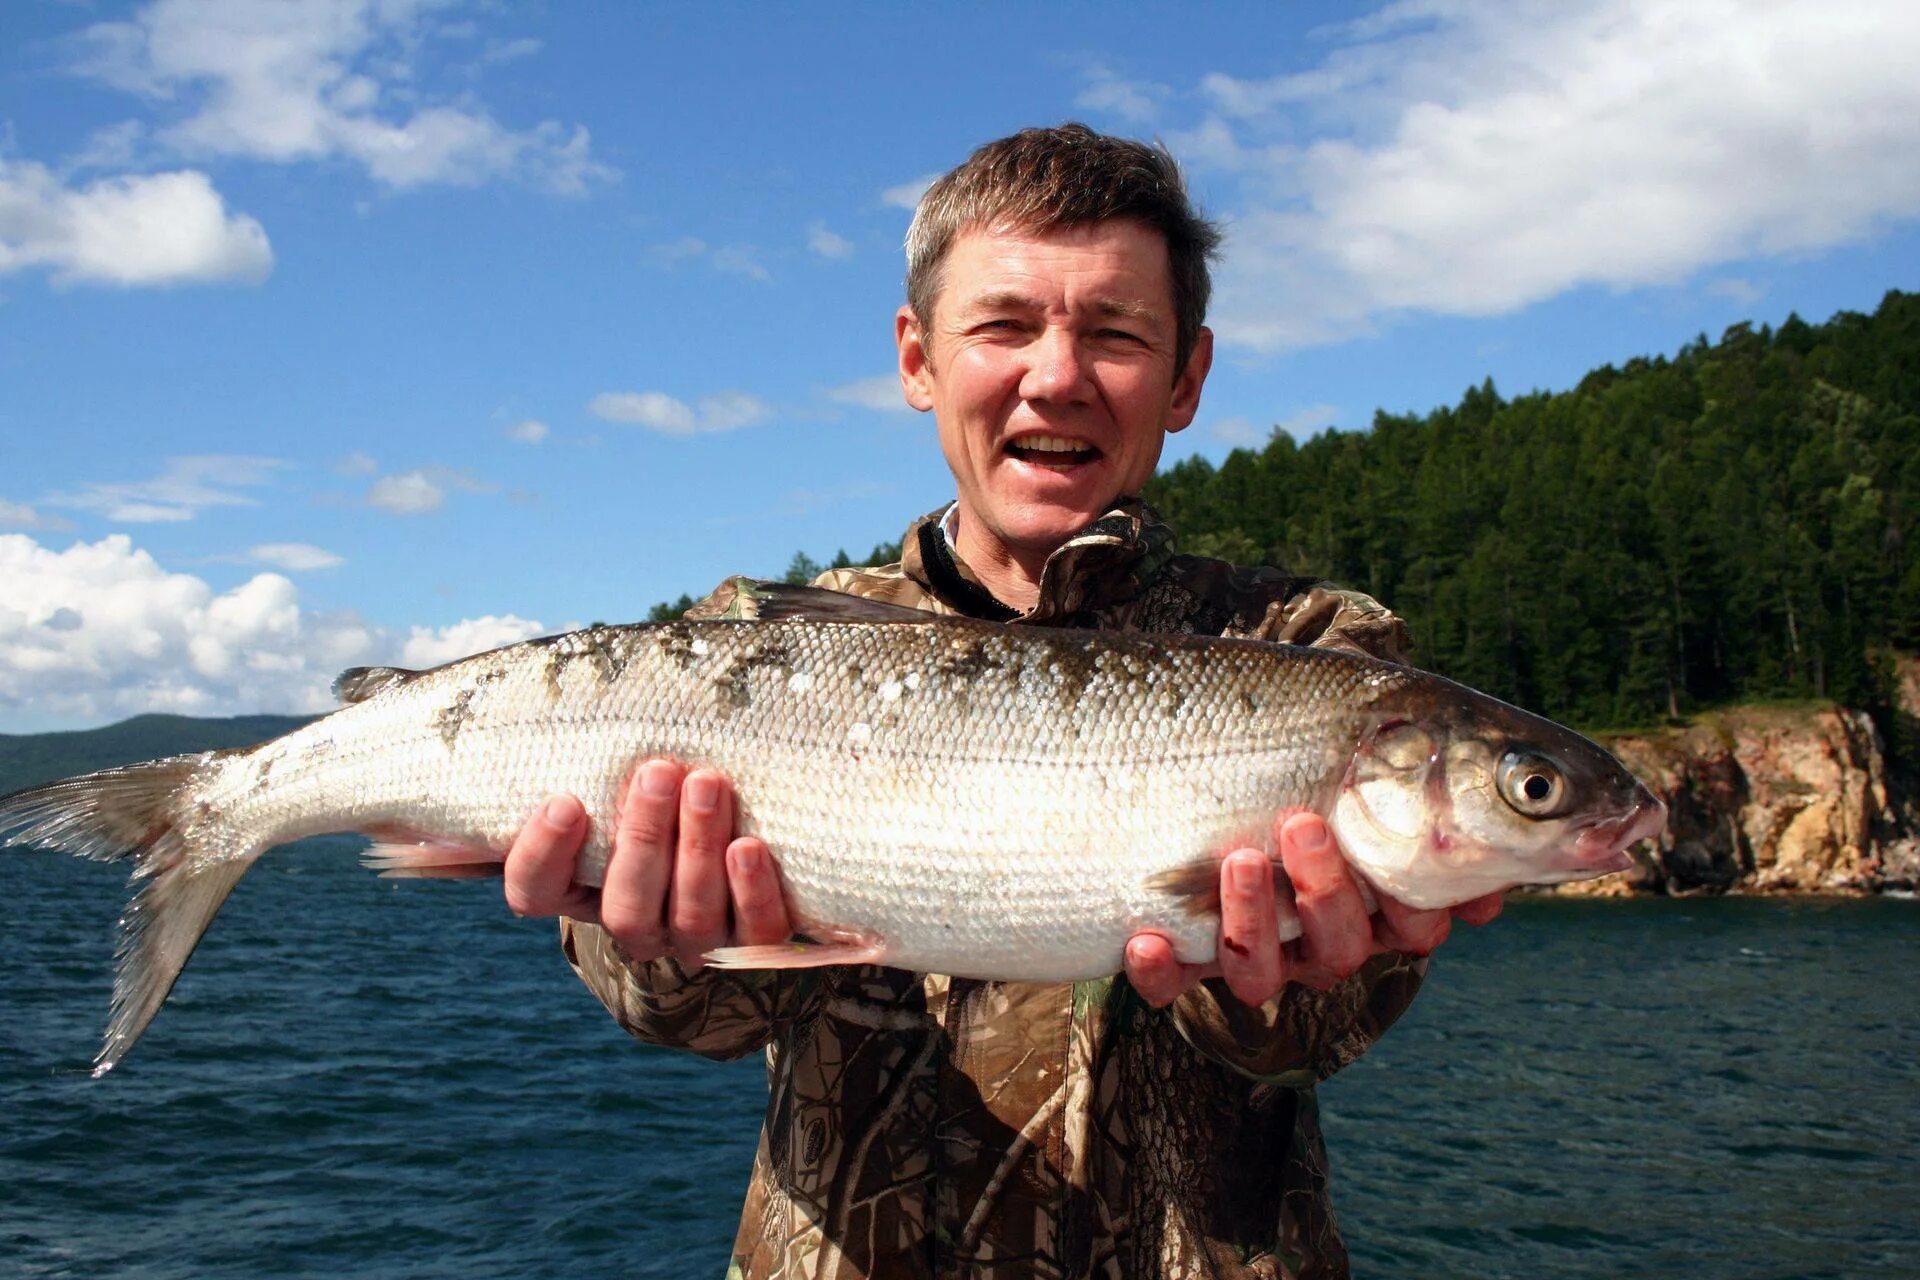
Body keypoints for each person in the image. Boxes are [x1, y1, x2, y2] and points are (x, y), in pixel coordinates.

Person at [502, 124, 1501, 1279]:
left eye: (1117, 333)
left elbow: (1319, 1034)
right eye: (1005, 325)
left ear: (1186, 377)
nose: (1058, 374)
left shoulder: (1323, 655)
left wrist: (1287, 984)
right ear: (919, 358)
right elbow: (695, 1018)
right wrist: (658, 949)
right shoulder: (751, 647)